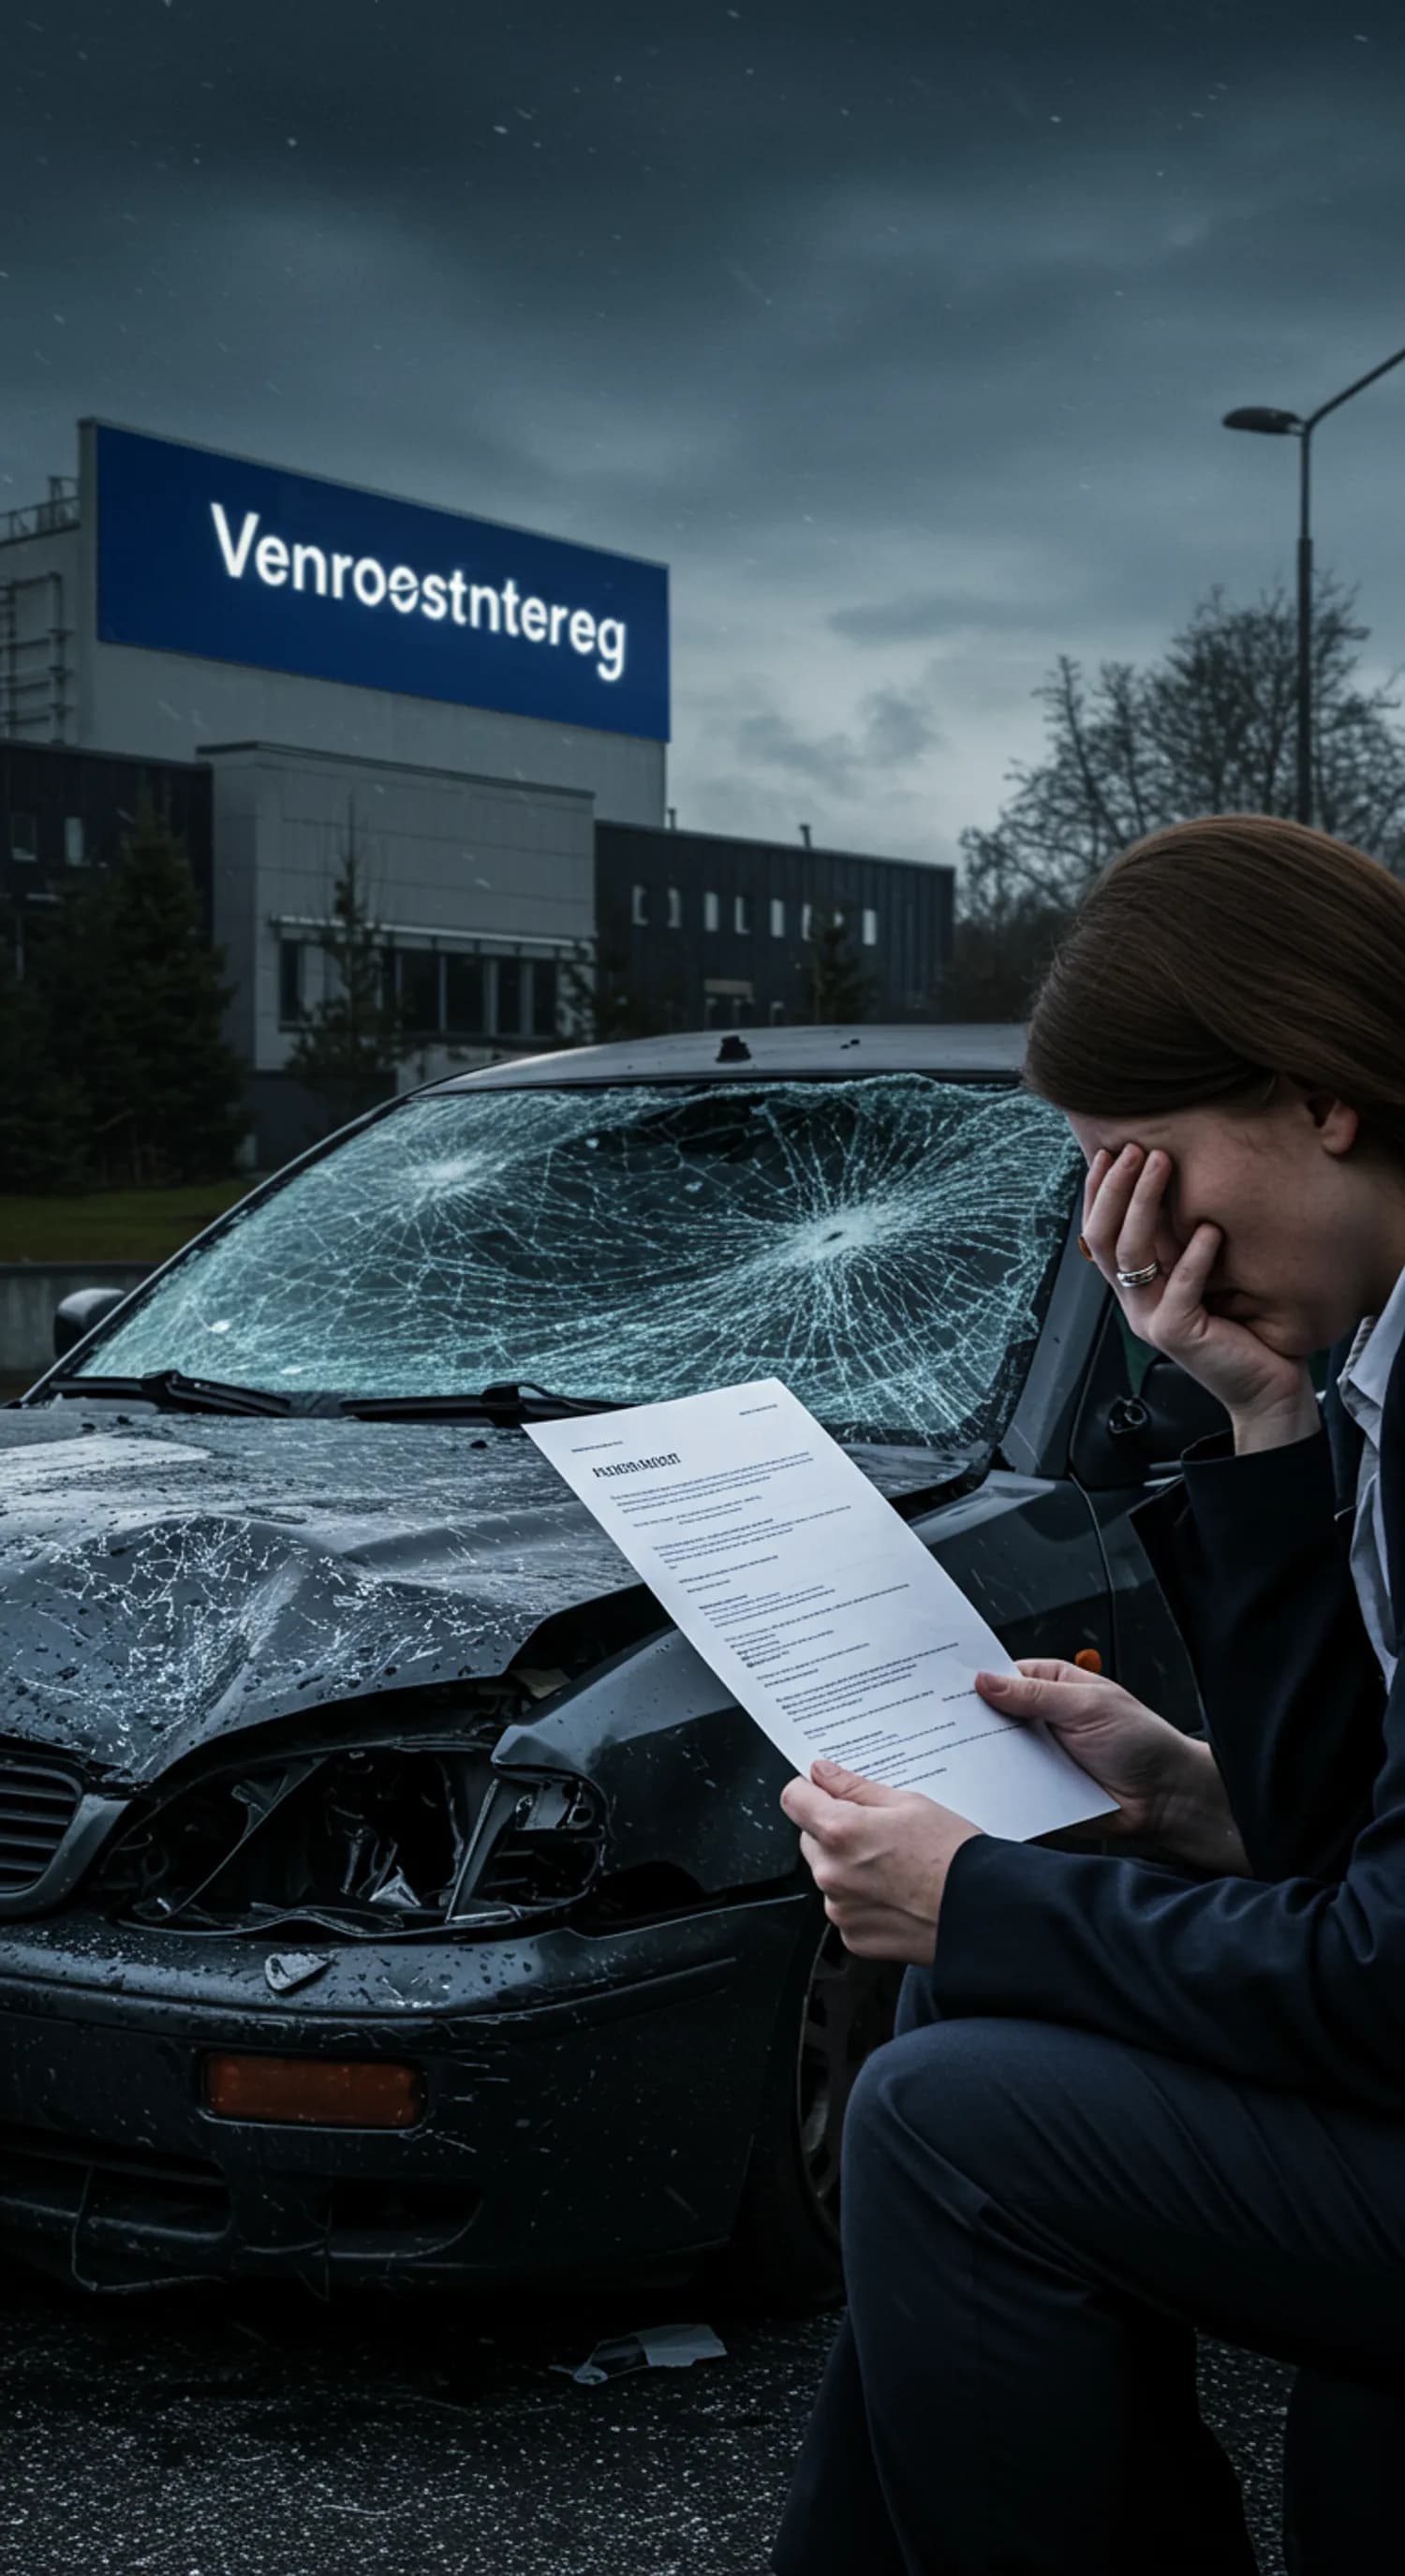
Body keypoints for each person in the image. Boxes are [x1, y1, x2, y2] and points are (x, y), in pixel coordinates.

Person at [768, 814, 1405, 2576]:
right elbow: (1355, 1839)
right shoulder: (1362, 1371)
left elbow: (1379, 1977)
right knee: (948, 2014)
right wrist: (1261, 1428)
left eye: (1143, 1167)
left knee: (938, 2115)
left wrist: (979, 1884)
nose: (1132, 1244)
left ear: (1315, 1094)